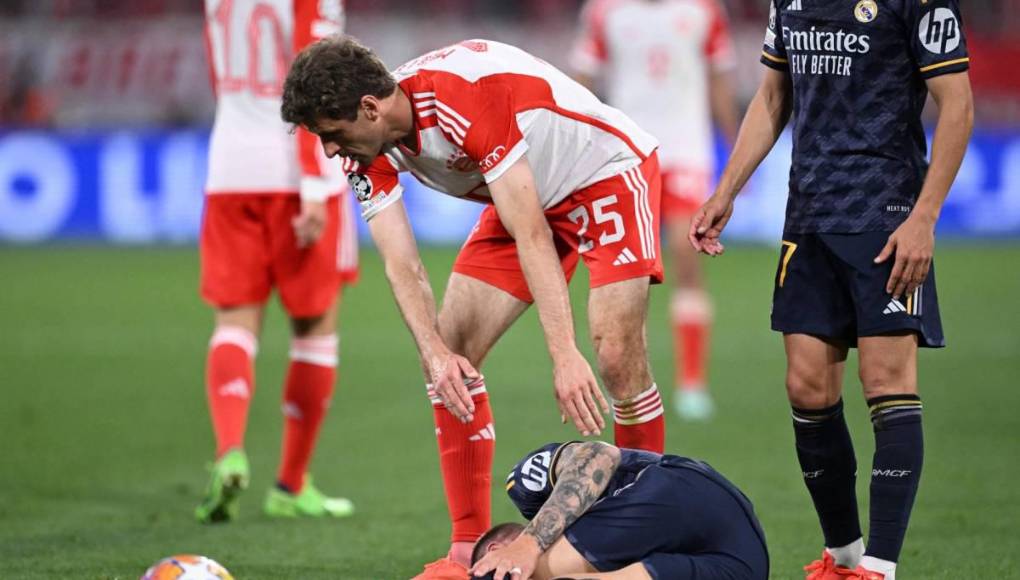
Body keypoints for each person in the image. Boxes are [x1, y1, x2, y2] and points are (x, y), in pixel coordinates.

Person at [281, 37, 668, 577]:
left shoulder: (465, 97)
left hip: (605, 174)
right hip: (521, 196)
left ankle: (643, 530)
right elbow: (402, 264)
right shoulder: (365, 149)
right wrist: (435, 354)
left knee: (616, 356)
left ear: (369, 108)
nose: (328, 151)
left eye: (332, 135)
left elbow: (531, 234)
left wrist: (563, 354)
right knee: (450, 351)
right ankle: (466, 551)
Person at [689, 0, 973, 577]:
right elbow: (773, 98)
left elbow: (958, 105)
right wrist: (726, 190)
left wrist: (923, 218)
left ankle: (880, 566)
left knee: (886, 382)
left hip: (884, 212)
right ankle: (843, 557)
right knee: (807, 387)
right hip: (809, 213)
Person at [195, 0, 359, 523]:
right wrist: (313, 182)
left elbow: (217, 67)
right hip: (294, 172)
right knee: (315, 330)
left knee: (234, 322)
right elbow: (319, 81)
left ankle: (229, 451)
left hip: (229, 167)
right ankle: (290, 482)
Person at [570, 0, 741, 420]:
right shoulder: (604, 11)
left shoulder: (703, 9)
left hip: (685, 149)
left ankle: (692, 384)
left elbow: (719, 78)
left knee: (686, 254)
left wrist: (735, 149)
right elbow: (582, 81)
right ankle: (631, 379)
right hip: (626, 153)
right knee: (629, 274)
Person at [470, 441, 768, 580]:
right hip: (743, 561)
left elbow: (599, 454)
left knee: (497, 578)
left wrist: (528, 543)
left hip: (677, 489)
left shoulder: (526, 490)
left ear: (496, 549)